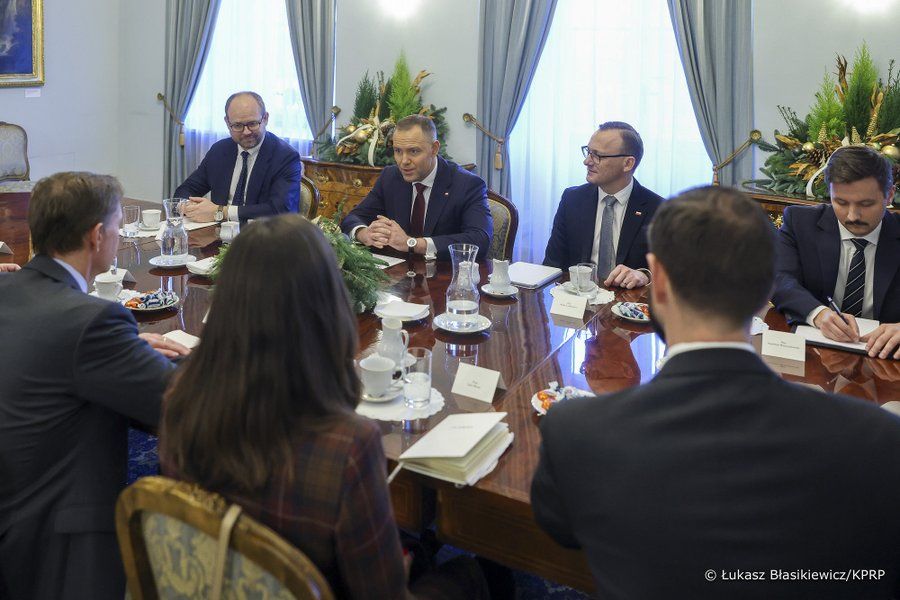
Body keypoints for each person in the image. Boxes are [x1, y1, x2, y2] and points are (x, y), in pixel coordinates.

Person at [531, 186, 900, 599]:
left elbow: (561, 530)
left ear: (661, 281)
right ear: (766, 292)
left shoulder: (574, 431)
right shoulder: (878, 438)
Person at [160, 215, 487, 600]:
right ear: (327, 304)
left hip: (212, 578)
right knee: (478, 573)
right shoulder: (347, 444)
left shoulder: (182, 394)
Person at [0, 172, 190, 600]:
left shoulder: (8, 288)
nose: (119, 233)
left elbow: (46, 345)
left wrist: (122, 348)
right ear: (96, 236)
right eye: (119, 225)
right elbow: (182, 404)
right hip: (53, 541)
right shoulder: (92, 322)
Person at [773, 145, 900, 360]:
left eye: (866, 204)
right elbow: (779, 279)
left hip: (885, 360)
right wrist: (818, 314)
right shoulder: (800, 222)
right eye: (840, 202)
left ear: (889, 196)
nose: (852, 216)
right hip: (815, 354)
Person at [340, 115, 493, 260]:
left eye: (413, 151)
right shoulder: (390, 177)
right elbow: (353, 218)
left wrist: (412, 243)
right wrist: (364, 233)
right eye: (398, 151)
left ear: (434, 149)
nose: (403, 161)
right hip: (398, 277)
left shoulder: (467, 184)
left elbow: (480, 239)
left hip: (443, 277)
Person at [543, 121, 663, 289]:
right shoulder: (572, 199)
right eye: (588, 152)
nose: (587, 161)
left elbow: (672, 274)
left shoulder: (658, 209)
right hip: (576, 301)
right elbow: (552, 264)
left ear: (628, 163)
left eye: (597, 155)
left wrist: (644, 275)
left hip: (627, 306)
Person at [175, 91, 302, 223]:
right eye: (237, 125)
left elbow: (281, 209)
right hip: (217, 235)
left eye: (252, 124)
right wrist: (188, 207)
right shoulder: (219, 150)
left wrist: (221, 212)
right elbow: (186, 189)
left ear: (265, 118)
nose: (246, 132)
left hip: (262, 236)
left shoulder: (285, 156)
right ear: (227, 122)